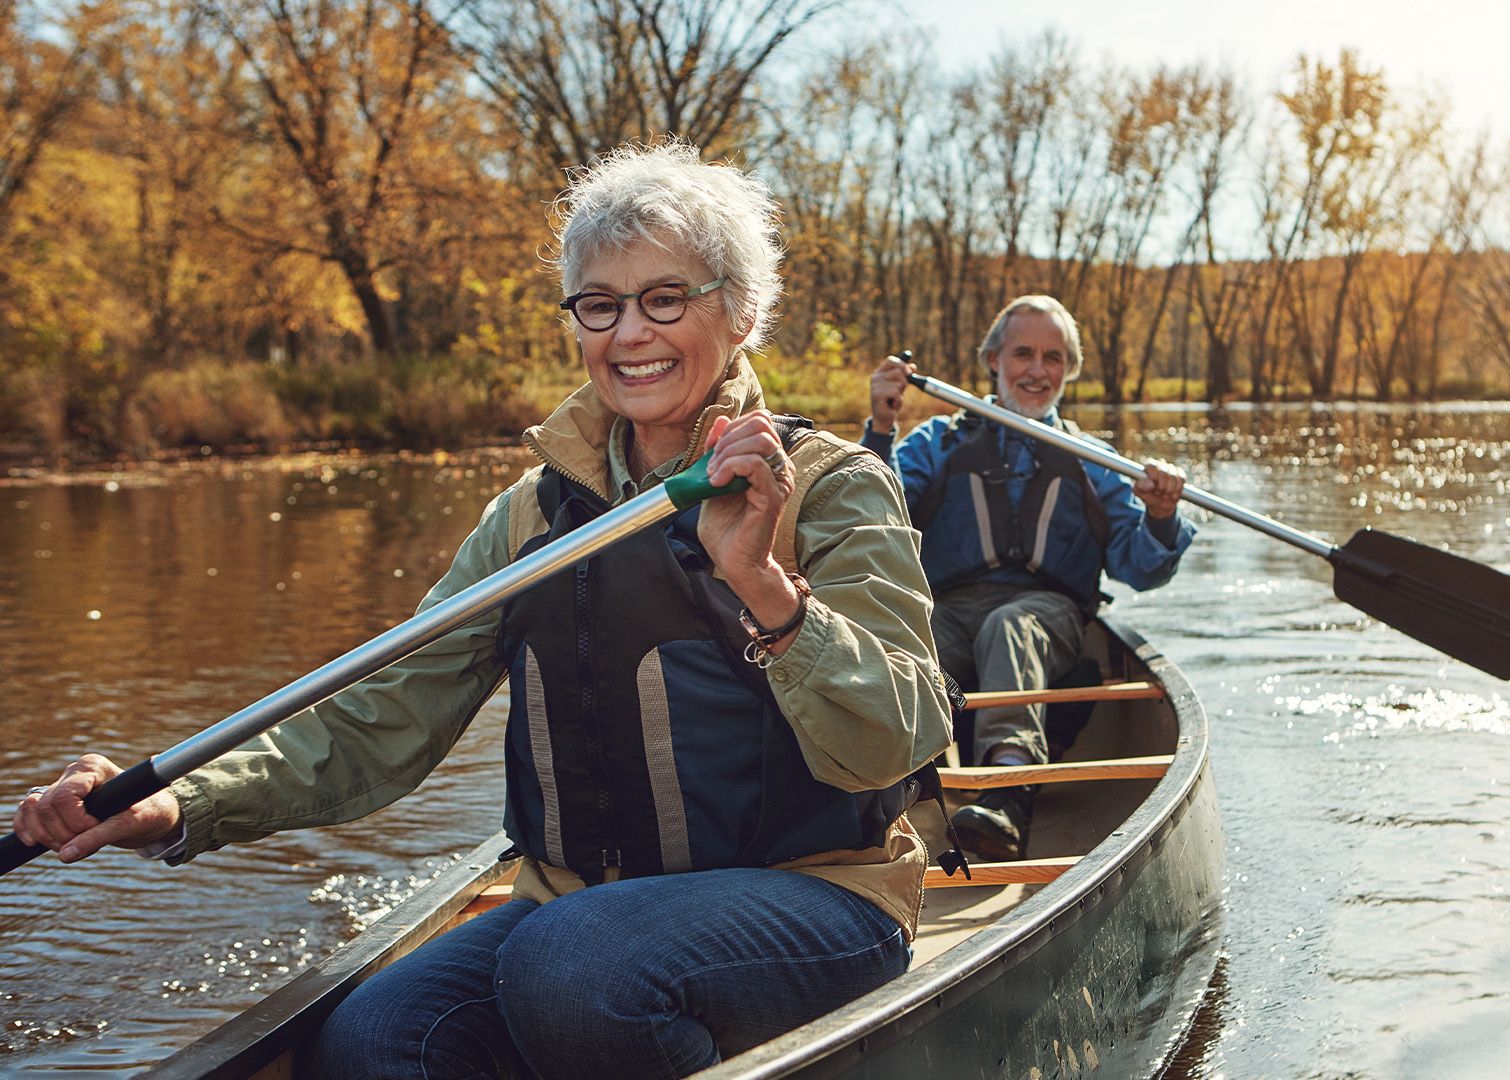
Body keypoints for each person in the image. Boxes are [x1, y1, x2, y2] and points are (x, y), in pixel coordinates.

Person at [12, 142, 953, 1080]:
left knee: (577, 971)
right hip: (573, 909)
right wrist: (179, 803)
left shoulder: (833, 487)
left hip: (814, 896)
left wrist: (763, 586)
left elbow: (898, 738)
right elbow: (383, 714)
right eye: (600, 304)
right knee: (370, 1046)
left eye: (666, 298)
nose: (630, 334)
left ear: (741, 312)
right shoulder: (530, 517)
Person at [862, 294, 1195, 861]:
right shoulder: (935, 443)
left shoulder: (1094, 459)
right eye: (1023, 353)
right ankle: (885, 795)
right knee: (905, 637)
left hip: (1049, 615)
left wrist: (1162, 516)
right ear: (993, 360)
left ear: (1069, 370)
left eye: (1054, 357)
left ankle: (1007, 794)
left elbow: (1141, 568)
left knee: (1010, 626)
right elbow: (872, 521)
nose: (1038, 371)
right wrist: (882, 428)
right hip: (948, 609)